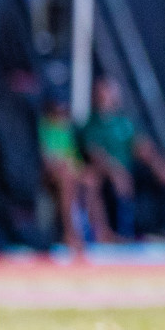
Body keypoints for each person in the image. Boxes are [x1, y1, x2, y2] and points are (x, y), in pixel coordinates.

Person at [82, 77, 165, 239]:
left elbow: (141, 146)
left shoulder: (125, 121)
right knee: (111, 179)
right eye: (104, 91)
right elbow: (95, 155)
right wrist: (115, 169)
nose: (107, 95)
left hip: (131, 168)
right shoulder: (91, 125)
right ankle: (112, 233)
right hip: (109, 172)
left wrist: (158, 163)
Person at [39, 97, 102, 254]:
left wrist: (81, 172)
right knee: (67, 180)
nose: (62, 116)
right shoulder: (43, 129)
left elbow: (75, 160)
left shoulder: (66, 131)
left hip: (70, 172)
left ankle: (99, 231)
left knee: (91, 179)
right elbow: (45, 159)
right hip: (51, 175)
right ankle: (71, 234)